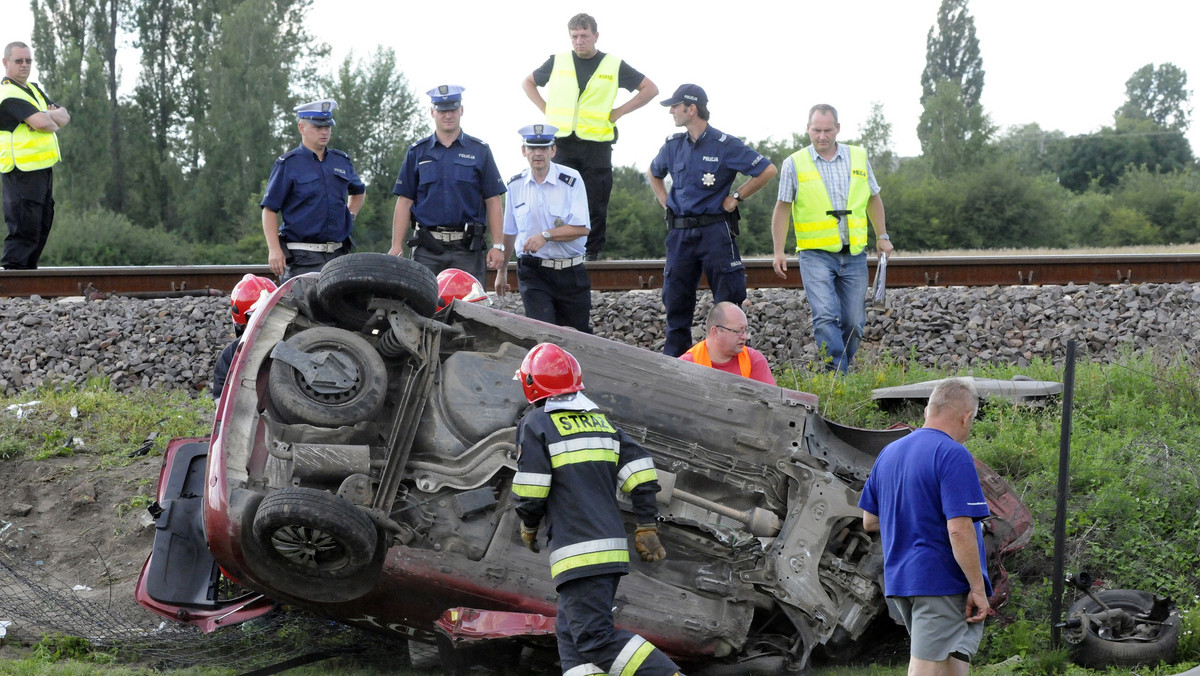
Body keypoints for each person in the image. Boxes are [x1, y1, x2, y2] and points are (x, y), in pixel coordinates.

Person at [511, 343, 684, 676]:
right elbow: (642, 472)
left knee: (594, 639)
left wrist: (529, 526)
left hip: (578, 553)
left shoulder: (536, 424)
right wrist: (646, 524)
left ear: (531, 384)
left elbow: (531, 491)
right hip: (609, 551)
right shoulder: (601, 423)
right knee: (571, 636)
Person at [858, 378, 991, 676]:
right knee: (925, 669)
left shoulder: (889, 453)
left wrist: (913, 517)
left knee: (952, 666)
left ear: (927, 411)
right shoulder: (953, 454)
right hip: (940, 581)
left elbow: (870, 521)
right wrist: (978, 588)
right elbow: (959, 530)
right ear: (966, 416)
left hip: (902, 578)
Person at [649, 84, 777, 358]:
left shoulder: (725, 144)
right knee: (676, 303)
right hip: (680, 234)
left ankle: (731, 369)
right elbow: (654, 172)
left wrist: (736, 197)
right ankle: (676, 367)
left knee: (729, 304)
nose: (671, 110)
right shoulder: (672, 145)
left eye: (675, 105)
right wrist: (665, 201)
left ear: (691, 108)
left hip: (715, 232)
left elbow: (767, 169)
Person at [522, 12, 658, 261]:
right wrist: (546, 110)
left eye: (584, 35)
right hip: (562, 143)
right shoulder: (557, 61)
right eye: (574, 36)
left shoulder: (613, 64)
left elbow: (650, 89)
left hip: (597, 143)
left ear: (596, 36)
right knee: (557, 197)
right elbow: (528, 82)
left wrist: (618, 112)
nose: (579, 41)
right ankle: (556, 249)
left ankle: (591, 252)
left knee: (596, 200)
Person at [770, 104, 893, 374]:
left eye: (827, 130)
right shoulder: (794, 163)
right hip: (815, 253)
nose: (822, 136)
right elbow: (783, 207)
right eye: (816, 130)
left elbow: (873, 197)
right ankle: (837, 375)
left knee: (854, 321)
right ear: (807, 129)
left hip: (854, 253)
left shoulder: (858, 157)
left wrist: (882, 236)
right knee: (825, 315)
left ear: (838, 128)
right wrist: (779, 250)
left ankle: (841, 370)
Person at [389, 85, 506, 284]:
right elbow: (405, 201)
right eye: (442, 110)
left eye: (453, 109)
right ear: (432, 112)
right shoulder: (417, 152)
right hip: (427, 249)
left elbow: (493, 200)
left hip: (467, 249)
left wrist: (498, 245)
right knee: (422, 308)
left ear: (461, 110)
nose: (448, 115)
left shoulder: (480, 151)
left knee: (470, 309)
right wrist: (396, 245)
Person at [494, 123, 592, 333]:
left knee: (578, 337)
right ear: (524, 151)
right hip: (533, 272)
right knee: (544, 334)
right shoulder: (515, 185)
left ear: (553, 150)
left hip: (570, 271)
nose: (538, 154)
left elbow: (581, 228)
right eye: (532, 148)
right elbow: (510, 231)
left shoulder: (572, 180)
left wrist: (546, 236)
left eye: (544, 148)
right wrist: (502, 272)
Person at [260, 99, 365, 282]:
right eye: (317, 127)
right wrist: (274, 249)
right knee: (302, 308)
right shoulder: (288, 164)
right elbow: (269, 209)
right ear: (302, 128)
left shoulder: (341, 161)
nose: (324, 131)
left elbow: (358, 192)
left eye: (327, 127)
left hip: (338, 256)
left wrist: (350, 216)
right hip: (302, 257)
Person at [1, 41, 68, 270]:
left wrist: (46, 118)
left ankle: (28, 277)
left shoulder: (35, 90)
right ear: (5, 63)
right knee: (23, 226)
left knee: (42, 222)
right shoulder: (8, 93)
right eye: (18, 60)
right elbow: (45, 124)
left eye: (28, 60)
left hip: (42, 167)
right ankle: (13, 278)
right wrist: (47, 118)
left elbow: (64, 116)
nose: (24, 65)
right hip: (21, 169)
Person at [212, 274, 277, 400]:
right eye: (259, 317)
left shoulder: (230, 355)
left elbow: (223, 408)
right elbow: (222, 403)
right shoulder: (230, 356)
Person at [679, 302, 775, 385]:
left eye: (746, 330)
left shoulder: (754, 360)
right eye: (738, 331)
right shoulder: (686, 364)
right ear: (715, 332)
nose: (745, 337)